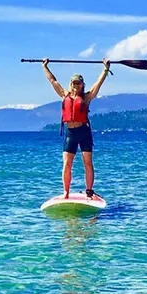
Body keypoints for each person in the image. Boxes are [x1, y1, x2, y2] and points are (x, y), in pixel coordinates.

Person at [42, 58, 111, 199]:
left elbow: (98, 84)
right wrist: (45, 67)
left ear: (82, 85)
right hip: (70, 134)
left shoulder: (86, 97)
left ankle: (89, 191)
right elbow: (52, 81)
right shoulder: (64, 95)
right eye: (74, 83)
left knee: (88, 163)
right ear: (71, 84)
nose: (76, 85)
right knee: (67, 164)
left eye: (78, 83)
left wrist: (105, 69)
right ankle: (66, 193)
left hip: (84, 133)